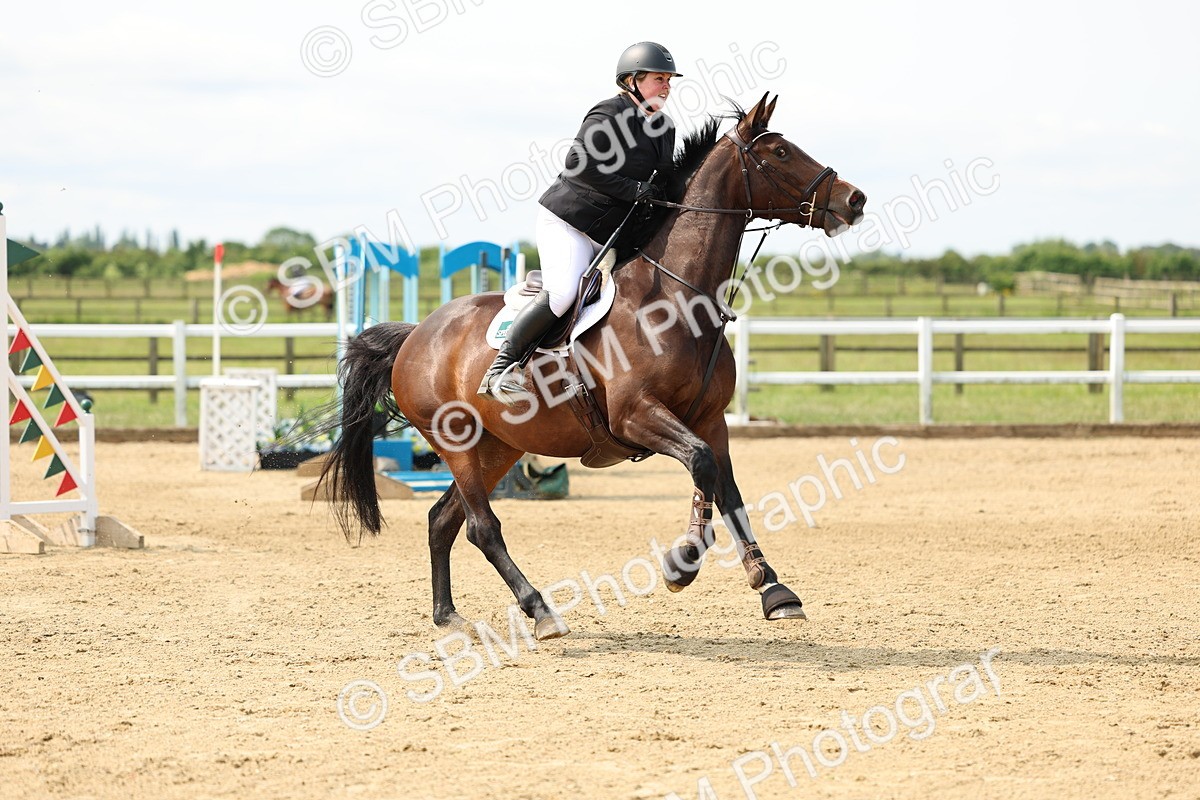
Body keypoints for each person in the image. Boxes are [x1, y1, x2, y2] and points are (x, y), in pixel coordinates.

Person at [478, 41, 680, 401]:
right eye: (659, 78)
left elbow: (666, 179)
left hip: (612, 233)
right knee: (563, 292)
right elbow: (581, 165)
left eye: (669, 79)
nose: (666, 86)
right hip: (571, 221)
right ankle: (501, 368)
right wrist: (635, 189)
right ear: (632, 81)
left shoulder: (663, 128)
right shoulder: (608, 114)